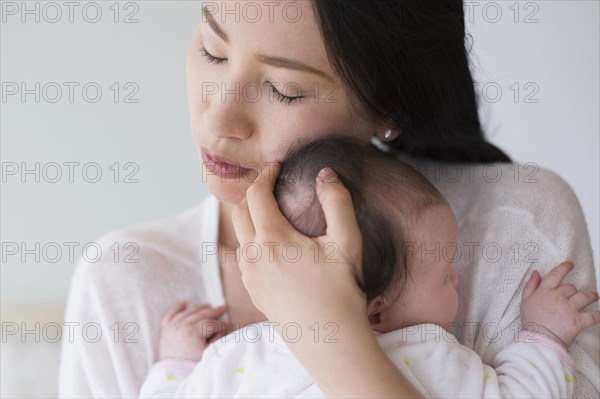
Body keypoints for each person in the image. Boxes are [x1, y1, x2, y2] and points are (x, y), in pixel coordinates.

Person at [58, 1, 600, 397]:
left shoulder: (517, 224)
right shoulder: (125, 280)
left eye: (284, 89)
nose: (218, 119)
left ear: (390, 107)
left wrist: (326, 331)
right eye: (212, 50)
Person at [138, 137, 600, 398]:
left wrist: (174, 364)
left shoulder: (238, 357)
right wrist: (543, 337)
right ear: (376, 310)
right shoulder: (428, 357)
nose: (456, 275)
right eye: (444, 272)